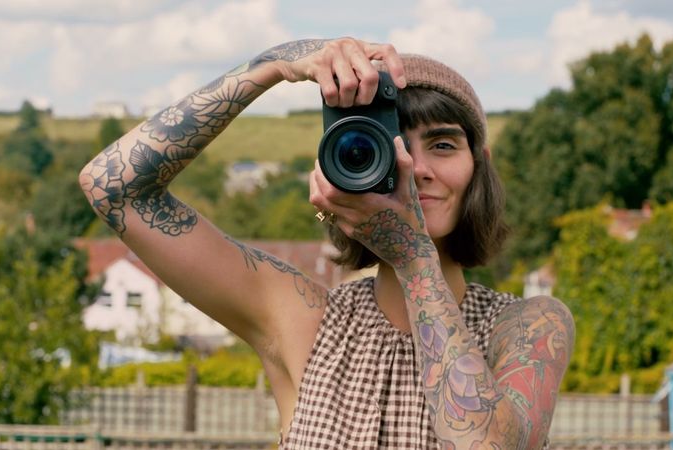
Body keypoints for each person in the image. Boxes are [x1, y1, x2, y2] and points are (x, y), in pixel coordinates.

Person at [79, 37, 574, 449]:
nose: (416, 167)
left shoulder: (529, 327)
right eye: (391, 146)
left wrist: (414, 259)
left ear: (479, 166)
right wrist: (277, 64)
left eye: (442, 145)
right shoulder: (305, 320)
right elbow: (113, 186)